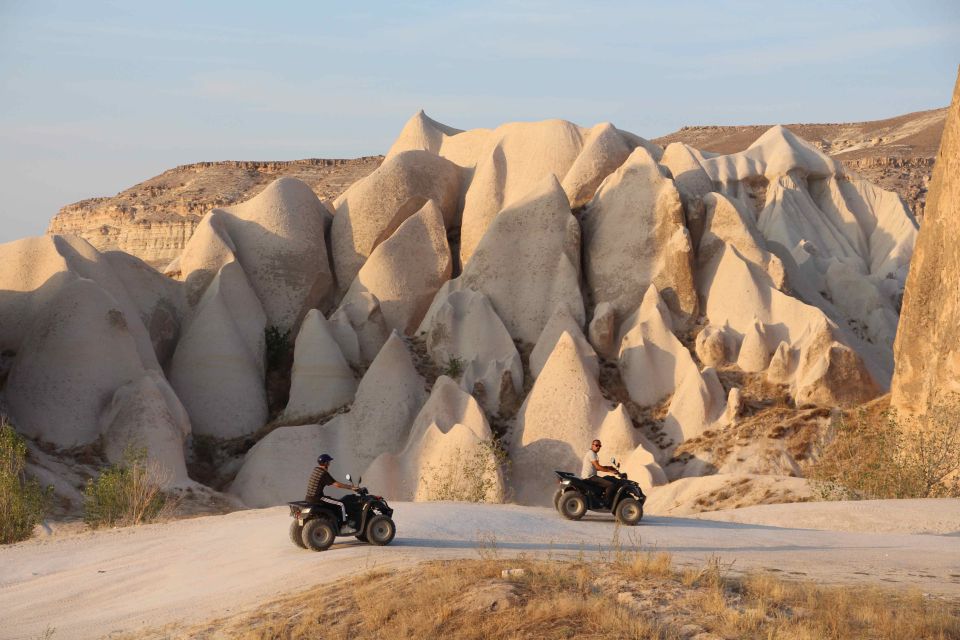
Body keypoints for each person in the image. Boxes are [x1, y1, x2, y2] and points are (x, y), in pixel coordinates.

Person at [305, 453, 357, 524]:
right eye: (329, 462)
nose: (329, 463)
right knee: (341, 504)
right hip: (317, 499)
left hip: (309, 498)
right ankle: (345, 525)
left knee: (333, 503)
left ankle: (334, 520)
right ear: (326, 463)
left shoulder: (316, 470)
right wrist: (351, 487)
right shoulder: (323, 473)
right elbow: (337, 485)